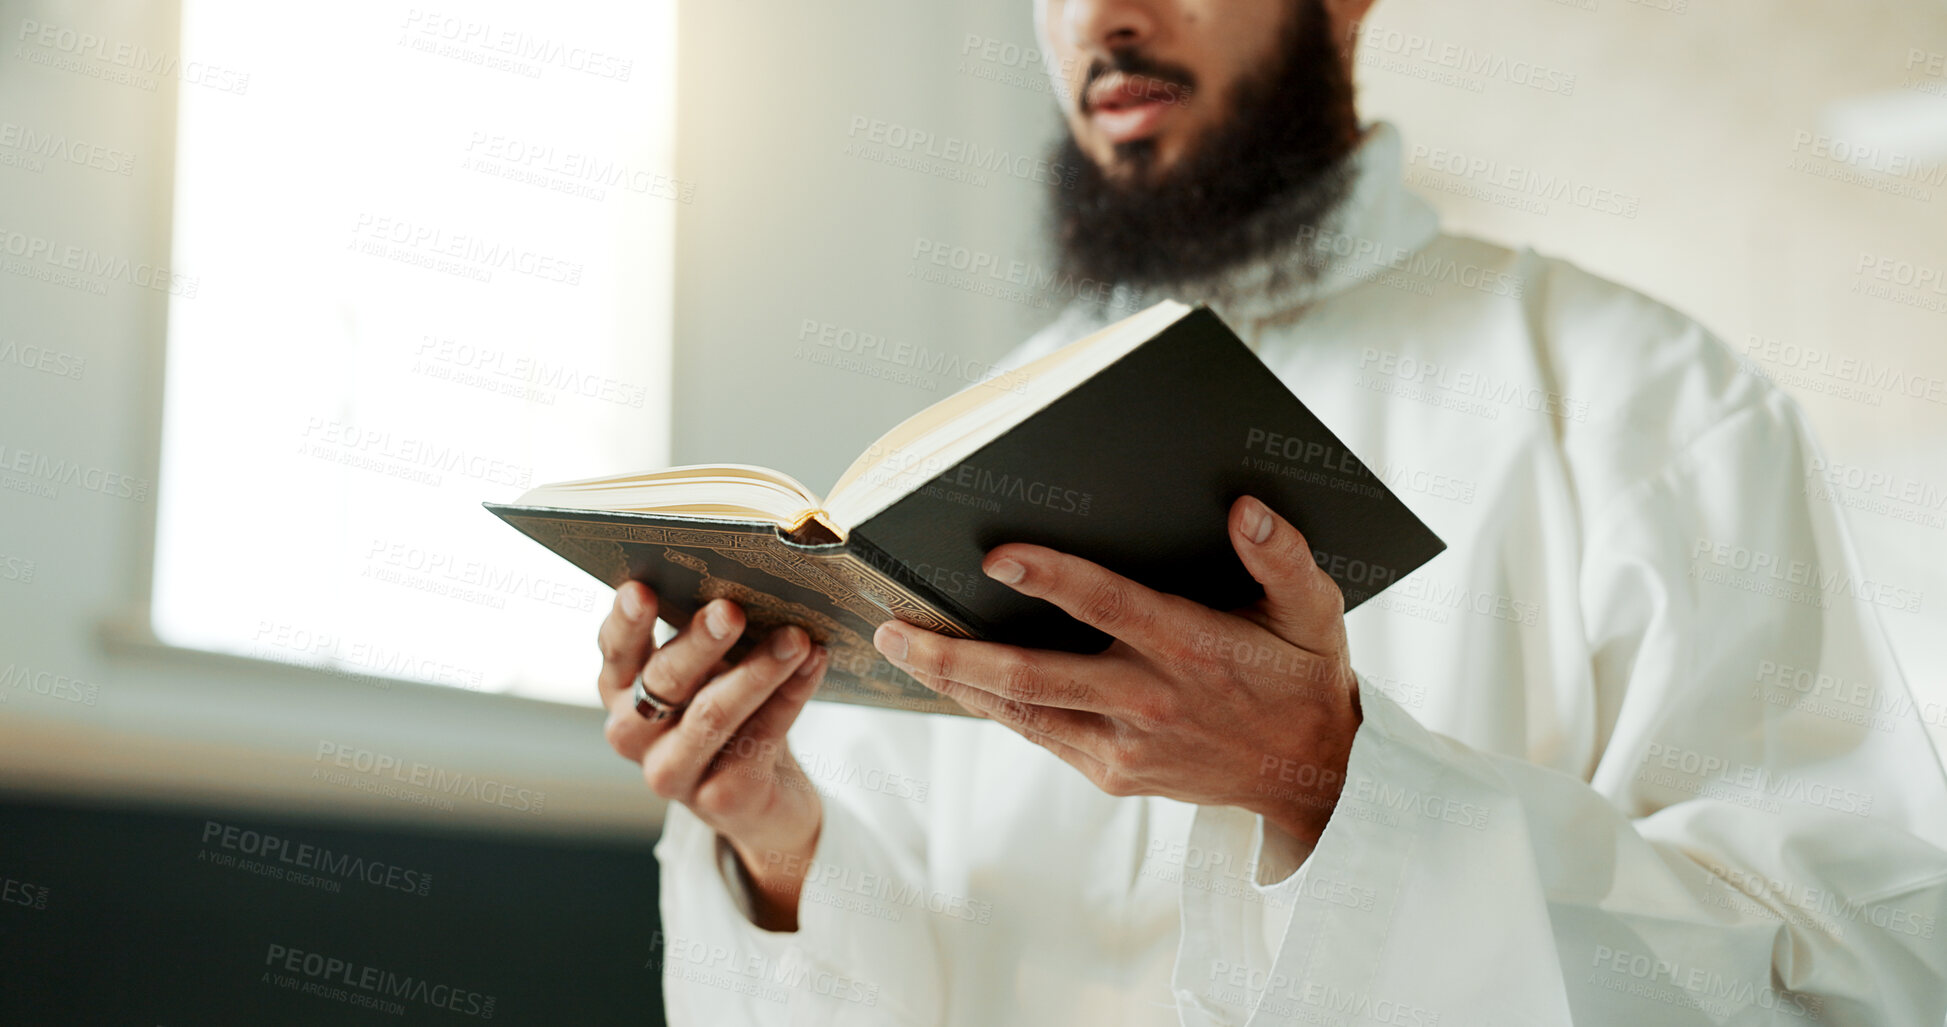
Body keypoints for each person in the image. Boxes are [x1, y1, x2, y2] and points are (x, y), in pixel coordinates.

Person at [598, 0, 1947, 1023]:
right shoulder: (953, 464)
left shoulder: (1653, 407)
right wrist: (778, 848)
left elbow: (1851, 980)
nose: (1106, 20)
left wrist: (1341, 786)